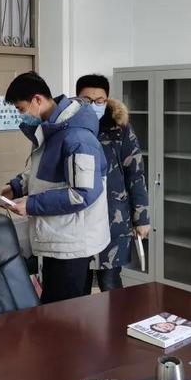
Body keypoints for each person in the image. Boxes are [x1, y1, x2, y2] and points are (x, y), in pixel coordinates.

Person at [2, 71, 110, 303]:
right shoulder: (53, 129)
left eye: (21, 109)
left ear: (37, 100)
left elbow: (82, 194)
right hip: (57, 238)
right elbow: (46, 171)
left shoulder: (78, 137)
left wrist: (31, 204)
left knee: (62, 314)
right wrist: (17, 186)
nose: (21, 115)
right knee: (57, 311)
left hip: (72, 243)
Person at [76, 74, 150, 293]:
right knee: (78, 283)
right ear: (77, 98)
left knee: (110, 282)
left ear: (106, 100)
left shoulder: (120, 128)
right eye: (87, 100)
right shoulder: (69, 127)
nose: (93, 105)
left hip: (113, 218)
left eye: (99, 100)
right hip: (78, 218)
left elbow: (135, 174)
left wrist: (141, 217)